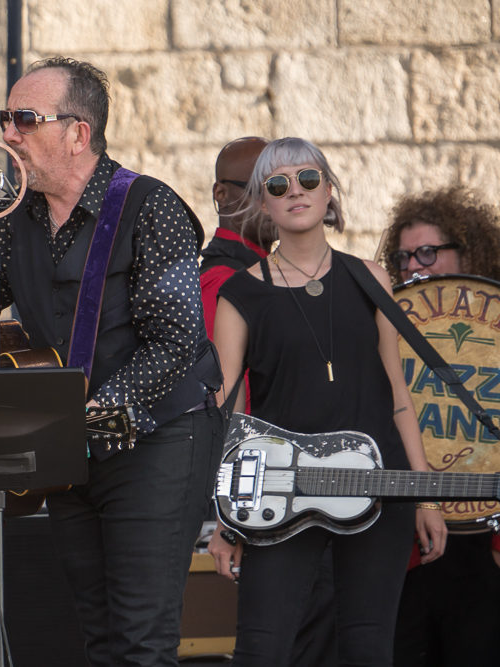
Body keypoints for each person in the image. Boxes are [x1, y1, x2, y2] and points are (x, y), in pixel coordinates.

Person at [0, 57, 222, 667]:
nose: (8, 132)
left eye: (25, 119)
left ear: (78, 133)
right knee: (100, 637)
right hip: (68, 453)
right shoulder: (13, 220)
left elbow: (176, 341)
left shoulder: (148, 206)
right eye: (7, 118)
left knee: (142, 639)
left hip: (158, 440)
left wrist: (87, 412)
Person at [206, 137, 448, 666]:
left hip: (377, 486)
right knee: (262, 649)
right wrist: (229, 518)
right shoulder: (240, 293)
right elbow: (227, 413)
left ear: (330, 191)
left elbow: (397, 395)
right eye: (278, 184)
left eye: (309, 179)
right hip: (280, 492)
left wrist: (426, 496)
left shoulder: (370, 278)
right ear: (262, 202)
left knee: (368, 647)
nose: (296, 191)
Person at [201, 137, 337, 667]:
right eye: (263, 186)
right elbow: (238, 405)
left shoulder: (280, 272)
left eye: (296, 182)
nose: (277, 196)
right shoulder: (225, 281)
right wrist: (234, 519)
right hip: (273, 490)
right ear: (225, 195)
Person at [380, 186, 500, 667]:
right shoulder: (383, 323)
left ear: (467, 252)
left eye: (428, 251)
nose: (414, 265)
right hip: (411, 536)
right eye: (405, 255)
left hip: (483, 539)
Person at [200, 136, 275, 339]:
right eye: (260, 189)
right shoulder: (221, 283)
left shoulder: (264, 269)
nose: (276, 201)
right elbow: (221, 370)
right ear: (221, 194)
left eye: (279, 187)